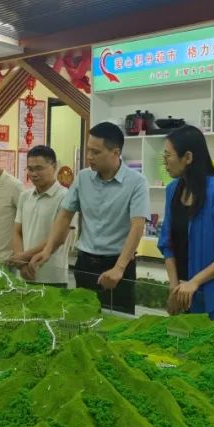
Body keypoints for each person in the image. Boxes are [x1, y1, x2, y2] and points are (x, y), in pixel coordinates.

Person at [32, 122, 148, 314]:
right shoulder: (83, 178)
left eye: (96, 152)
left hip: (118, 265)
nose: (89, 157)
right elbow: (64, 215)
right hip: (86, 263)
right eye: (88, 150)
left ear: (115, 152)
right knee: (81, 318)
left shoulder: (137, 182)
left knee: (117, 322)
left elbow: (137, 226)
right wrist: (48, 249)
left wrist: (119, 268)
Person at [157, 126, 214, 319]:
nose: (164, 161)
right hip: (184, 294)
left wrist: (195, 282)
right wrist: (174, 287)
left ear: (188, 157)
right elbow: (167, 244)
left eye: (168, 155)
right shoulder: (172, 190)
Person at [11, 145, 71, 286]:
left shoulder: (66, 197)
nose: (34, 174)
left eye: (39, 168)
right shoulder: (25, 196)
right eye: (30, 169)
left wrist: (23, 257)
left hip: (53, 277)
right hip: (24, 275)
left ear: (54, 167)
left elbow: (59, 238)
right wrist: (22, 264)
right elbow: (17, 232)